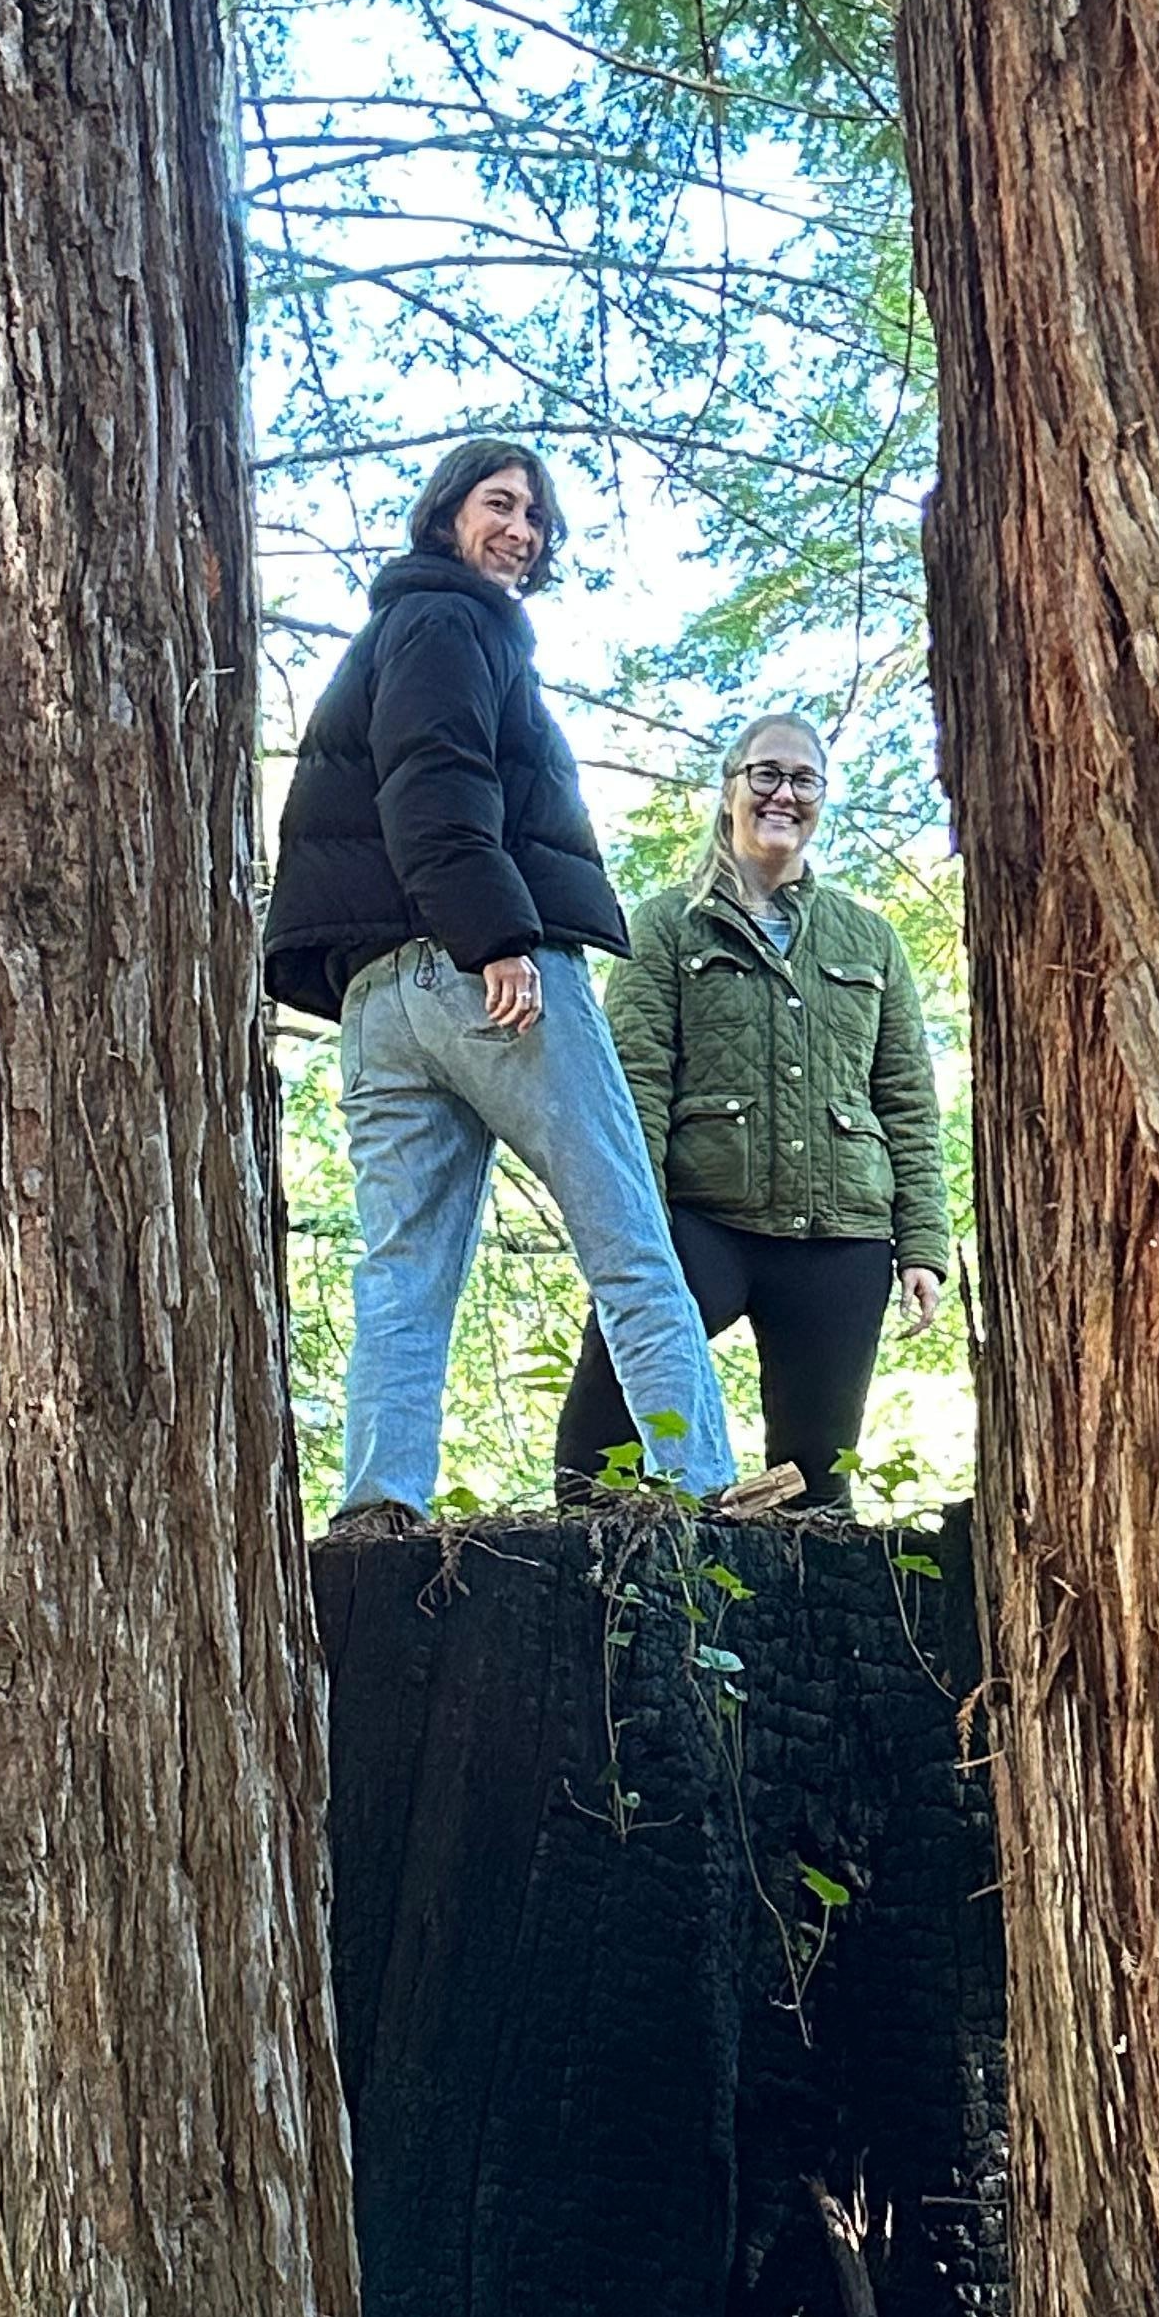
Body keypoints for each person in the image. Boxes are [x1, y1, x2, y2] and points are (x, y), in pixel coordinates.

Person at [264, 436, 757, 1531]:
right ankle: (698, 1480)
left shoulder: (397, 631)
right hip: (477, 971)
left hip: (381, 999)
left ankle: (379, 1503)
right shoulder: (450, 621)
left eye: (536, 519)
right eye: (500, 505)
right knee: (628, 1233)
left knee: (404, 1265)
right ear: (446, 516)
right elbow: (434, 782)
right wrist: (496, 940)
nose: (521, 533)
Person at [554, 711, 950, 1514]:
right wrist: (633, 1230)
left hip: (841, 1238)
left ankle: (796, 1633)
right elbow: (638, 1086)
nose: (784, 795)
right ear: (730, 789)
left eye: (804, 780)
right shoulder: (667, 925)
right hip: (703, 1225)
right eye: (765, 774)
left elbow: (907, 1098)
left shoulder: (869, 940)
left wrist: (924, 1245)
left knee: (816, 1485)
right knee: (599, 1449)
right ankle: (605, 1603)